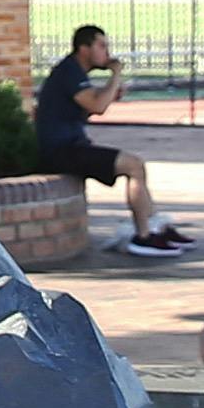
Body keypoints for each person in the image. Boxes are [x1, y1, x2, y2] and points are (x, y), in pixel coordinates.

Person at [34, 25, 187, 253]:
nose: (107, 52)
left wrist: (110, 92)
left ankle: (157, 226)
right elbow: (97, 105)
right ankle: (143, 237)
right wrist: (115, 74)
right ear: (84, 49)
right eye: (102, 46)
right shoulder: (69, 72)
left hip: (72, 146)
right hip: (60, 151)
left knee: (136, 166)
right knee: (134, 165)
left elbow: (91, 104)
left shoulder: (73, 72)